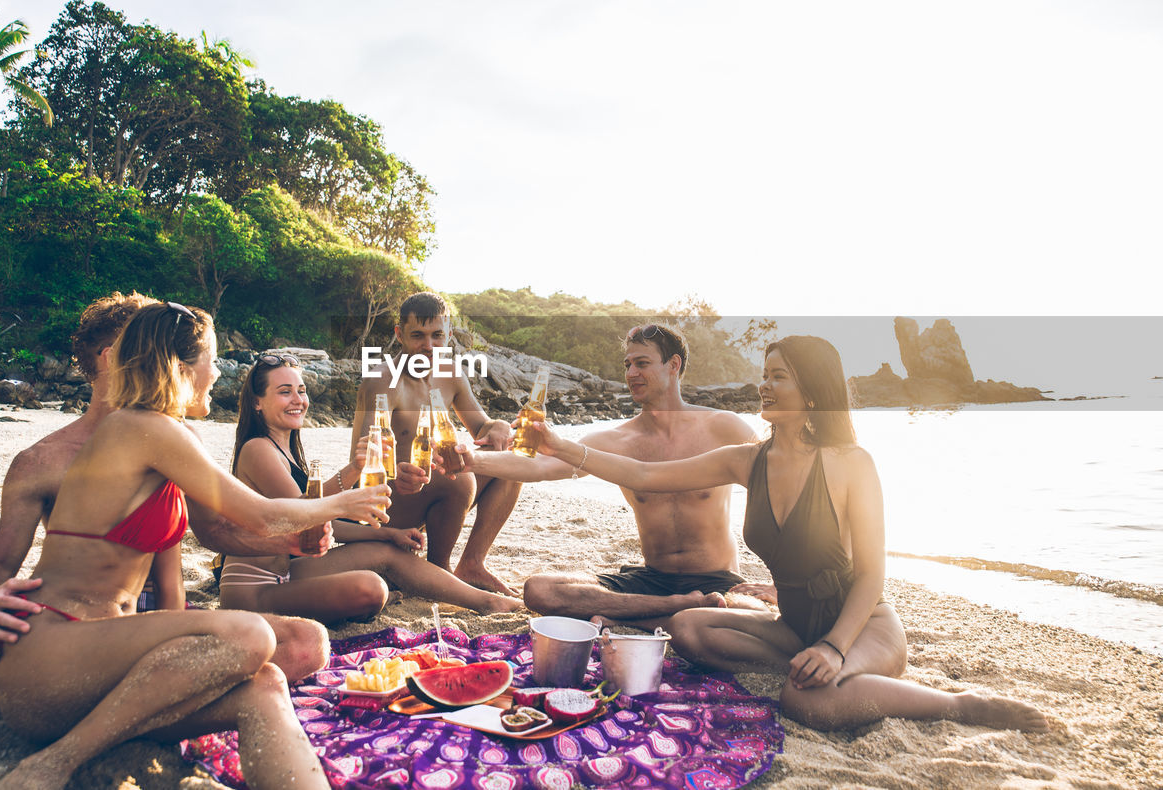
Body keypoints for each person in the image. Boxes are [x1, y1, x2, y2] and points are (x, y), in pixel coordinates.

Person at [0, 293, 336, 790]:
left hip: (135, 629)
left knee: (291, 653)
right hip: (60, 633)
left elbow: (214, 534)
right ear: (113, 356)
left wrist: (292, 544)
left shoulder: (173, 436)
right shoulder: (45, 460)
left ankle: (121, 716)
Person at [525, 335, 1049, 732]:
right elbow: (644, 476)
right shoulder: (747, 460)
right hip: (792, 628)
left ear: (813, 392)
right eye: (766, 374)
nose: (765, 385)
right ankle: (813, 668)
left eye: (779, 377)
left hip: (862, 627)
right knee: (687, 629)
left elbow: (871, 575)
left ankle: (960, 705)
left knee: (804, 703)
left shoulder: (850, 464)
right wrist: (558, 445)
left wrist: (836, 650)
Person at [447, 323, 771, 631]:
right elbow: (538, 467)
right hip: (649, 581)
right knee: (540, 590)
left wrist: (778, 585)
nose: (631, 374)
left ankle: (639, 617)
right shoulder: (616, 441)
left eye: (642, 363)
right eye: (627, 364)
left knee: (753, 612)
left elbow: (783, 493)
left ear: (674, 364)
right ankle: (675, 608)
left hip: (717, 580)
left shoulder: (727, 428)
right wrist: (472, 460)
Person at [219, 354, 522, 617]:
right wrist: (354, 468)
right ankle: (480, 600)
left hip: (289, 568)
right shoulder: (258, 449)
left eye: (301, 390)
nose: (298, 400)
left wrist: (390, 533)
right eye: (285, 392)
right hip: (259, 585)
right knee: (372, 590)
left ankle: (487, 602)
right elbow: (303, 513)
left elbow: (326, 523)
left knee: (386, 553)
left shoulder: (284, 449)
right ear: (258, 403)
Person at [347, 291, 522, 595]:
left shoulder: (451, 374)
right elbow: (364, 459)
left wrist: (501, 427)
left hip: (434, 490)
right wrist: (394, 472)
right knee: (451, 472)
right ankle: (438, 569)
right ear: (399, 334)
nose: (429, 346)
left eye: (437, 336)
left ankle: (472, 564)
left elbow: (482, 427)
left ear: (449, 334)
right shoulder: (383, 379)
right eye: (418, 336)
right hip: (388, 502)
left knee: (510, 457)